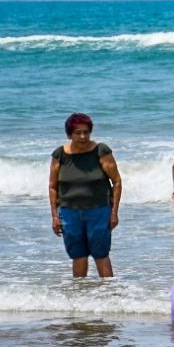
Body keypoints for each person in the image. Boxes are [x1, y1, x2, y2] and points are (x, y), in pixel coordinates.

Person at [48, 112, 122, 279]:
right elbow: (53, 186)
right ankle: (81, 297)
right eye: (77, 133)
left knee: (101, 254)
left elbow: (116, 182)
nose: (83, 136)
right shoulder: (59, 155)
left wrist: (114, 212)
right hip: (69, 213)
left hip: (99, 211)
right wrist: (54, 216)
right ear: (69, 134)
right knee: (78, 256)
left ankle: (110, 295)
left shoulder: (101, 151)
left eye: (86, 132)